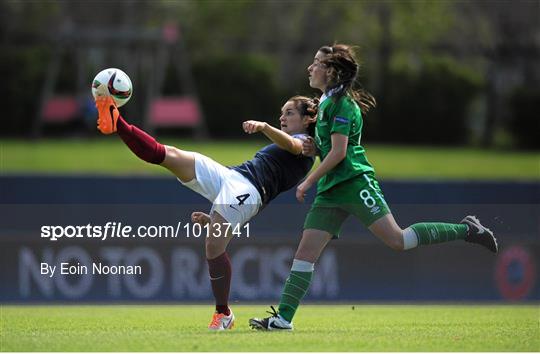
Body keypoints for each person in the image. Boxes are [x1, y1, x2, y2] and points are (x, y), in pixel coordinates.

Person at [249, 44, 498, 331]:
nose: (310, 67)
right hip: (332, 190)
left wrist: (308, 180)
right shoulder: (328, 102)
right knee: (305, 254)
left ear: (330, 71)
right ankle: (283, 319)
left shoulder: (342, 105)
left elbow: (340, 153)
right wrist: (313, 145)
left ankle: (467, 229)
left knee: (398, 240)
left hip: (354, 182)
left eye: (316, 63)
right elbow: (328, 146)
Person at [94, 94, 318, 330]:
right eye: (282, 112)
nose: (282, 117)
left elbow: (291, 145)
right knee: (167, 154)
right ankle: (117, 121)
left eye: (289, 113)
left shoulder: (306, 144)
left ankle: (223, 314)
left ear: (306, 120)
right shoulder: (293, 138)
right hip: (231, 175)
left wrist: (264, 127)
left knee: (213, 245)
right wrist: (215, 219)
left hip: (251, 190)